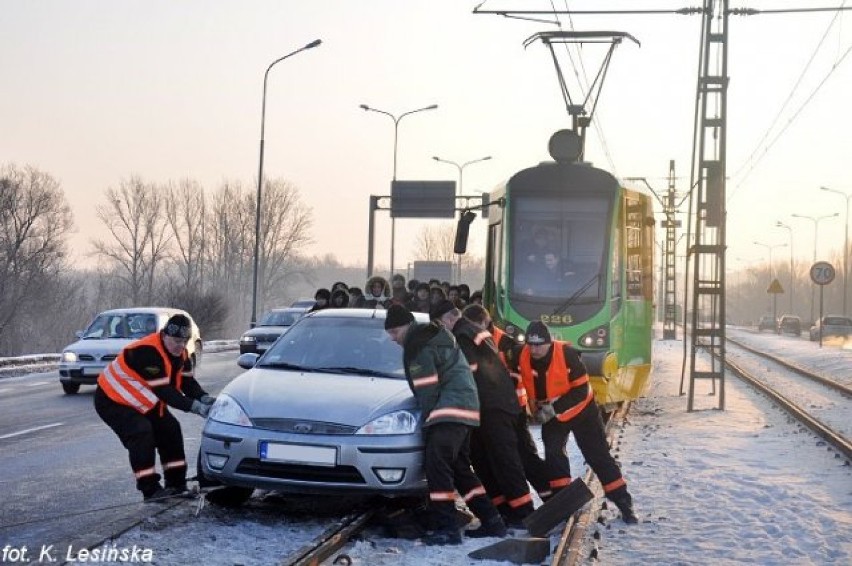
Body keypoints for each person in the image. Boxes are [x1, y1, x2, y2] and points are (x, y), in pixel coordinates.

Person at [384, 304, 507, 544]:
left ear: (406, 327)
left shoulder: (418, 346)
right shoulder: (432, 337)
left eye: (395, 332)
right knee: (460, 470)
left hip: (448, 410)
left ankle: (447, 529)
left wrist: (428, 422)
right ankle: (493, 521)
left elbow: (427, 388)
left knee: (437, 466)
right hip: (466, 407)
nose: (393, 338)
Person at [517, 321, 638, 523]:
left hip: (582, 412)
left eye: (539, 345)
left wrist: (553, 408)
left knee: (598, 455)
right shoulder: (522, 355)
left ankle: (624, 502)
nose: (534, 349)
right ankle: (562, 503)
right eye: (531, 345)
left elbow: (581, 390)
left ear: (549, 342)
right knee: (554, 454)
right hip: (553, 416)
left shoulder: (567, 355)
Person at [430, 300, 534, 527]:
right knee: (487, 459)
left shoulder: (462, 335)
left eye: (440, 324)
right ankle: (506, 509)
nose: (441, 329)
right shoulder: (474, 330)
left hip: (491, 406)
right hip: (494, 404)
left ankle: (523, 512)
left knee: (503, 459)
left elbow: (468, 373)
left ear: (449, 318)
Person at [94, 314, 214, 501]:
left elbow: (187, 383)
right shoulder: (147, 351)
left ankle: (176, 485)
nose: (181, 346)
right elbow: (165, 392)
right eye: (176, 341)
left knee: (171, 430)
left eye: (184, 341)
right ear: (164, 335)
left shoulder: (181, 354)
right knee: (141, 432)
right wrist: (196, 407)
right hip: (112, 400)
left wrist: (203, 397)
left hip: (142, 401)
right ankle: (149, 489)